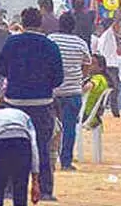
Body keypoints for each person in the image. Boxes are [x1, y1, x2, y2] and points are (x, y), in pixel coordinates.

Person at [0, 8, 63, 203]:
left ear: (23, 23)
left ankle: (10, 189)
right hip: (41, 103)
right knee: (41, 147)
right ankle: (45, 190)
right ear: (40, 23)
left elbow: (1, 69)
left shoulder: (11, 42)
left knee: (11, 144)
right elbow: (58, 78)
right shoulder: (50, 45)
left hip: (14, 102)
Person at [0, 103, 41, 206]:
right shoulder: (24, 116)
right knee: (20, 191)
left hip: (0, 146)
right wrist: (35, 182)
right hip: (22, 145)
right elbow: (34, 148)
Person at [47, 12, 90, 171]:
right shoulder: (81, 43)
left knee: (48, 127)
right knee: (69, 128)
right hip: (72, 91)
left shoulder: (51, 39)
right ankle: (66, 162)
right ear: (74, 26)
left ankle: (48, 158)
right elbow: (87, 64)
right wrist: (79, 78)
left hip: (52, 91)